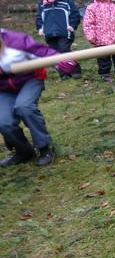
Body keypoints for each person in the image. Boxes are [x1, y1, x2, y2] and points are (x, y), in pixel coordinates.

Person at [0, 28, 77, 167]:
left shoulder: (16, 41)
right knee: (3, 121)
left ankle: (45, 148)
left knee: (24, 107)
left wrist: (60, 61)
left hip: (30, 79)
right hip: (3, 88)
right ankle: (23, 151)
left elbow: (42, 52)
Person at [35, 0, 82, 79]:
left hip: (65, 32)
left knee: (64, 50)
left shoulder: (65, 0)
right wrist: (40, 27)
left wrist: (72, 25)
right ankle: (64, 73)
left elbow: (75, 14)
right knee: (55, 54)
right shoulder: (42, 2)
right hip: (50, 32)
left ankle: (75, 70)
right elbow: (39, 16)